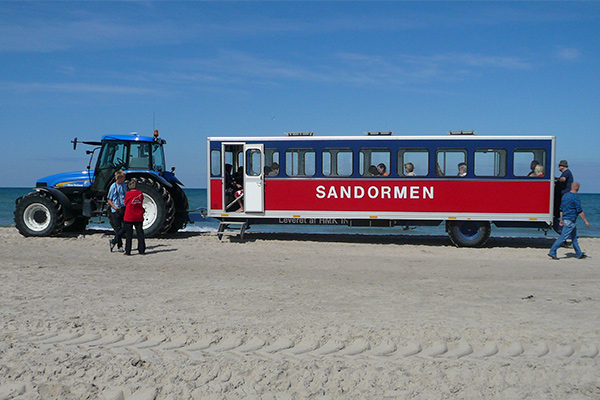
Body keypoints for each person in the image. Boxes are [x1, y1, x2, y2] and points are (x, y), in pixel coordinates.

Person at [548, 182, 590, 260]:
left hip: (566, 220)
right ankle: (552, 251)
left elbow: (561, 209)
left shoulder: (565, 196)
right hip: (570, 220)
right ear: (577, 188)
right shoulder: (575, 197)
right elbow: (579, 210)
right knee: (563, 237)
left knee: (574, 237)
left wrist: (561, 219)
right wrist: (586, 221)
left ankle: (579, 253)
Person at [123, 178, 146, 256]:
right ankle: (142, 250)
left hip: (129, 216)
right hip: (138, 215)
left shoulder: (128, 194)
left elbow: (125, 202)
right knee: (140, 233)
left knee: (129, 235)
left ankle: (128, 251)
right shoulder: (140, 193)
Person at [108, 170, 127, 252]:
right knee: (118, 228)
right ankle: (120, 246)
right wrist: (114, 207)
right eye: (123, 177)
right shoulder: (113, 186)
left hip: (123, 208)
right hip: (115, 209)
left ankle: (114, 241)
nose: (125, 178)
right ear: (119, 177)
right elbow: (109, 199)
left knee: (126, 227)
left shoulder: (124, 185)